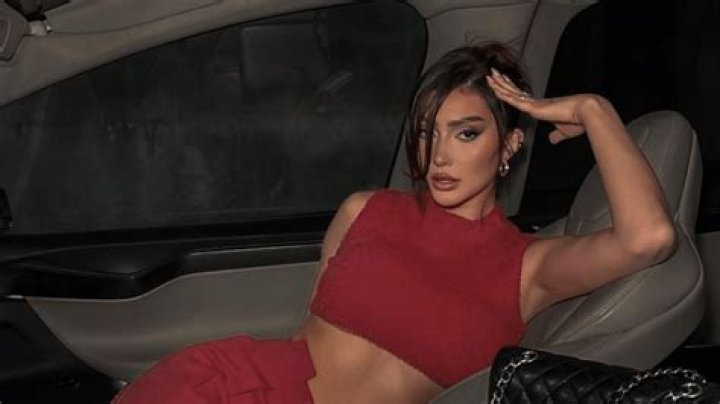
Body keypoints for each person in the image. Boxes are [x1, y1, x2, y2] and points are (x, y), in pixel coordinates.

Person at [113, 43, 676, 404]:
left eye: (466, 133)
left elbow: (648, 238)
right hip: (239, 387)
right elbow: (303, 336)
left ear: (508, 145)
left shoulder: (528, 267)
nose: (440, 156)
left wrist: (594, 111)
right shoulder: (366, 210)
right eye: (428, 133)